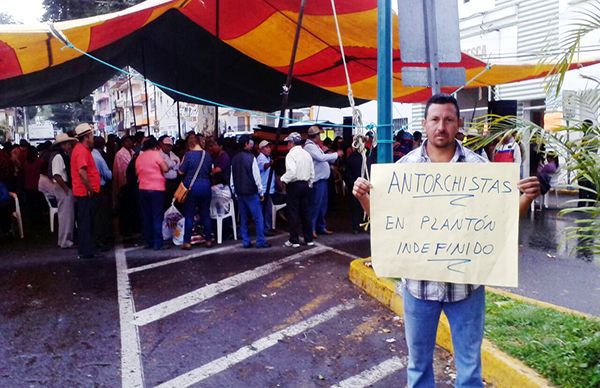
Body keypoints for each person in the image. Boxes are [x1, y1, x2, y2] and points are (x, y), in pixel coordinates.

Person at [353, 94, 540, 388]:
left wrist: (526, 198)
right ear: (425, 124)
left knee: (469, 370)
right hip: (418, 288)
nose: (442, 126)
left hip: (466, 288)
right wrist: (365, 198)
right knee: (418, 367)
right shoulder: (403, 169)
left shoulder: (480, 169)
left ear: (459, 124)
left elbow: (499, 222)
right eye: (435, 119)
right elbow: (386, 222)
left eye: (449, 120)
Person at [230, 135, 270, 249]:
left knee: (243, 218)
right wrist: (261, 192)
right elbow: (256, 177)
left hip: (240, 192)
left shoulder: (234, 158)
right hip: (251, 192)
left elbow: (232, 178)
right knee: (258, 217)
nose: (252, 144)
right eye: (250, 142)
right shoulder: (251, 157)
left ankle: (246, 241)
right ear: (246, 144)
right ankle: (260, 241)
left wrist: (235, 191)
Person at [303, 126, 342, 238]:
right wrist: (336, 154)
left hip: (322, 180)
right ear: (315, 136)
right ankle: (312, 229)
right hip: (317, 181)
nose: (320, 137)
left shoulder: (314, 146)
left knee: (322, 205)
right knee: (315, 205)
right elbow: (321, 158)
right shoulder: (309, 147)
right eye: (319, 135)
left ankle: (320, 226)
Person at [70, 123, 102, 259]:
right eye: (91, 135)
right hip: (85, 192)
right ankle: (87, 251)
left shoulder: (79, 149)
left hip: (82, 191)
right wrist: (90, 188)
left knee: (85, 222)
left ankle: (86, 250)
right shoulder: (82, 150)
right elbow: (82, 172)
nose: (93, 137)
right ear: (87, 136)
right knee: (86, 223)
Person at [179, 133, 214, 250]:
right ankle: (208, 239)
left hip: (192, 187)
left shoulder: (188, 155)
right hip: (206, 186)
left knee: (189, 214)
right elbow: (210, 171)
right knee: (205, 213)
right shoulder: (207, 155)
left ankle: (187, 241)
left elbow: (181, 172)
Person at [280, 132, 314, 248]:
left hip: (294, 185)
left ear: (291, 143)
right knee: (306, 212)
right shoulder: (306, 154)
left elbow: (292, 172)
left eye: (288, 142)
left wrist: (283, 179)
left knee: (293, 213)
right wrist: (309, 183)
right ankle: (309, 239)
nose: (287, 145)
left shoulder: (291, 155)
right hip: (305, 185)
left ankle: (294, 240)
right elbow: (312, 172)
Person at [135, 137, 169, 250]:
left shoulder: (139, 157)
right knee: (157, 216)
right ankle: (158, 243)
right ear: (155, 146)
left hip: (143, 189)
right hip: (156, 189)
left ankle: (148, 241)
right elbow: (165, 168)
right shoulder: (155, 155)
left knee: (147, 216)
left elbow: (137, 172)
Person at [49, 134, 77, 248]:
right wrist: (66, 188)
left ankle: (64, 239)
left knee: (66, 215)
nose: (70, 146)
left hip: (62, 186)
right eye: (68, 144)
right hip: (62, 187)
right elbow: (56, 175)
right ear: (63, 145)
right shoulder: (58, 157)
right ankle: (65, 240)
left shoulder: (61, 155)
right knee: (66, 216)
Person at [92, 136, 113, 250]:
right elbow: (108, 175)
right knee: (101, 216)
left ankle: (97, 240)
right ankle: (101, 240)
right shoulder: (99, 157)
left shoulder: (89, 154)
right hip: (100, 187)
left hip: (91, 188)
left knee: (96, 216)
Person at [257, 140, 276, 236]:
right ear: (261, 149)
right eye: (266, 147)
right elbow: (264, 166)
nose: (269, 149)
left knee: (267, 209)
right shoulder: (261, 158)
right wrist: (271, 164)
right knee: (265, 210)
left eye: (269, 147)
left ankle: (266, 227)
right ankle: (265, 229)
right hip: (264, 189)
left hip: (268, 188)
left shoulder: (268, 158)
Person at [159, 136, 181, 208]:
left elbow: (178, 163)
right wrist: (173, 163)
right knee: (166, 201)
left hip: (174, 181)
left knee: (174, 200)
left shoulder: (172, 153)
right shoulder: (159, 154)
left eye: (170, 146)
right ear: (162, 145)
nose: (168, 147)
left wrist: (172, 165)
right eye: (166, 145)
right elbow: (165, 167)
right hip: (165, 182)